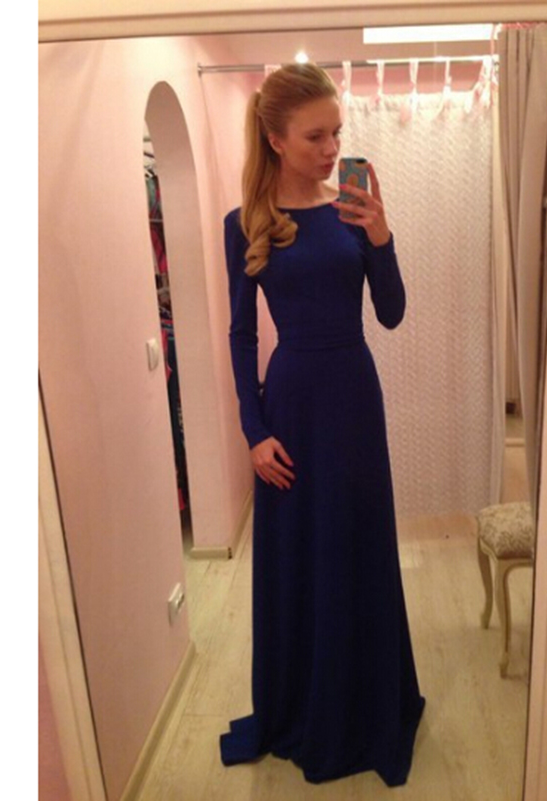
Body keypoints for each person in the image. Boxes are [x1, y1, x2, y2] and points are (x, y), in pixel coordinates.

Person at [219, 62, 425, 787]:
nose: (332, 147)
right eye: (315, 136)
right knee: (301, 555)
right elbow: (242, 335)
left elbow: (391, 313)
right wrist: (253, 430)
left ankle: (366, 704)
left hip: (354, 400)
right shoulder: (245, 224)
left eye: (336, 132)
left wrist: (381, 235)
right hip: (291, 408)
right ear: (276, 140)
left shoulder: (351, 210)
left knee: (358, 544)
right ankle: (304, 703)